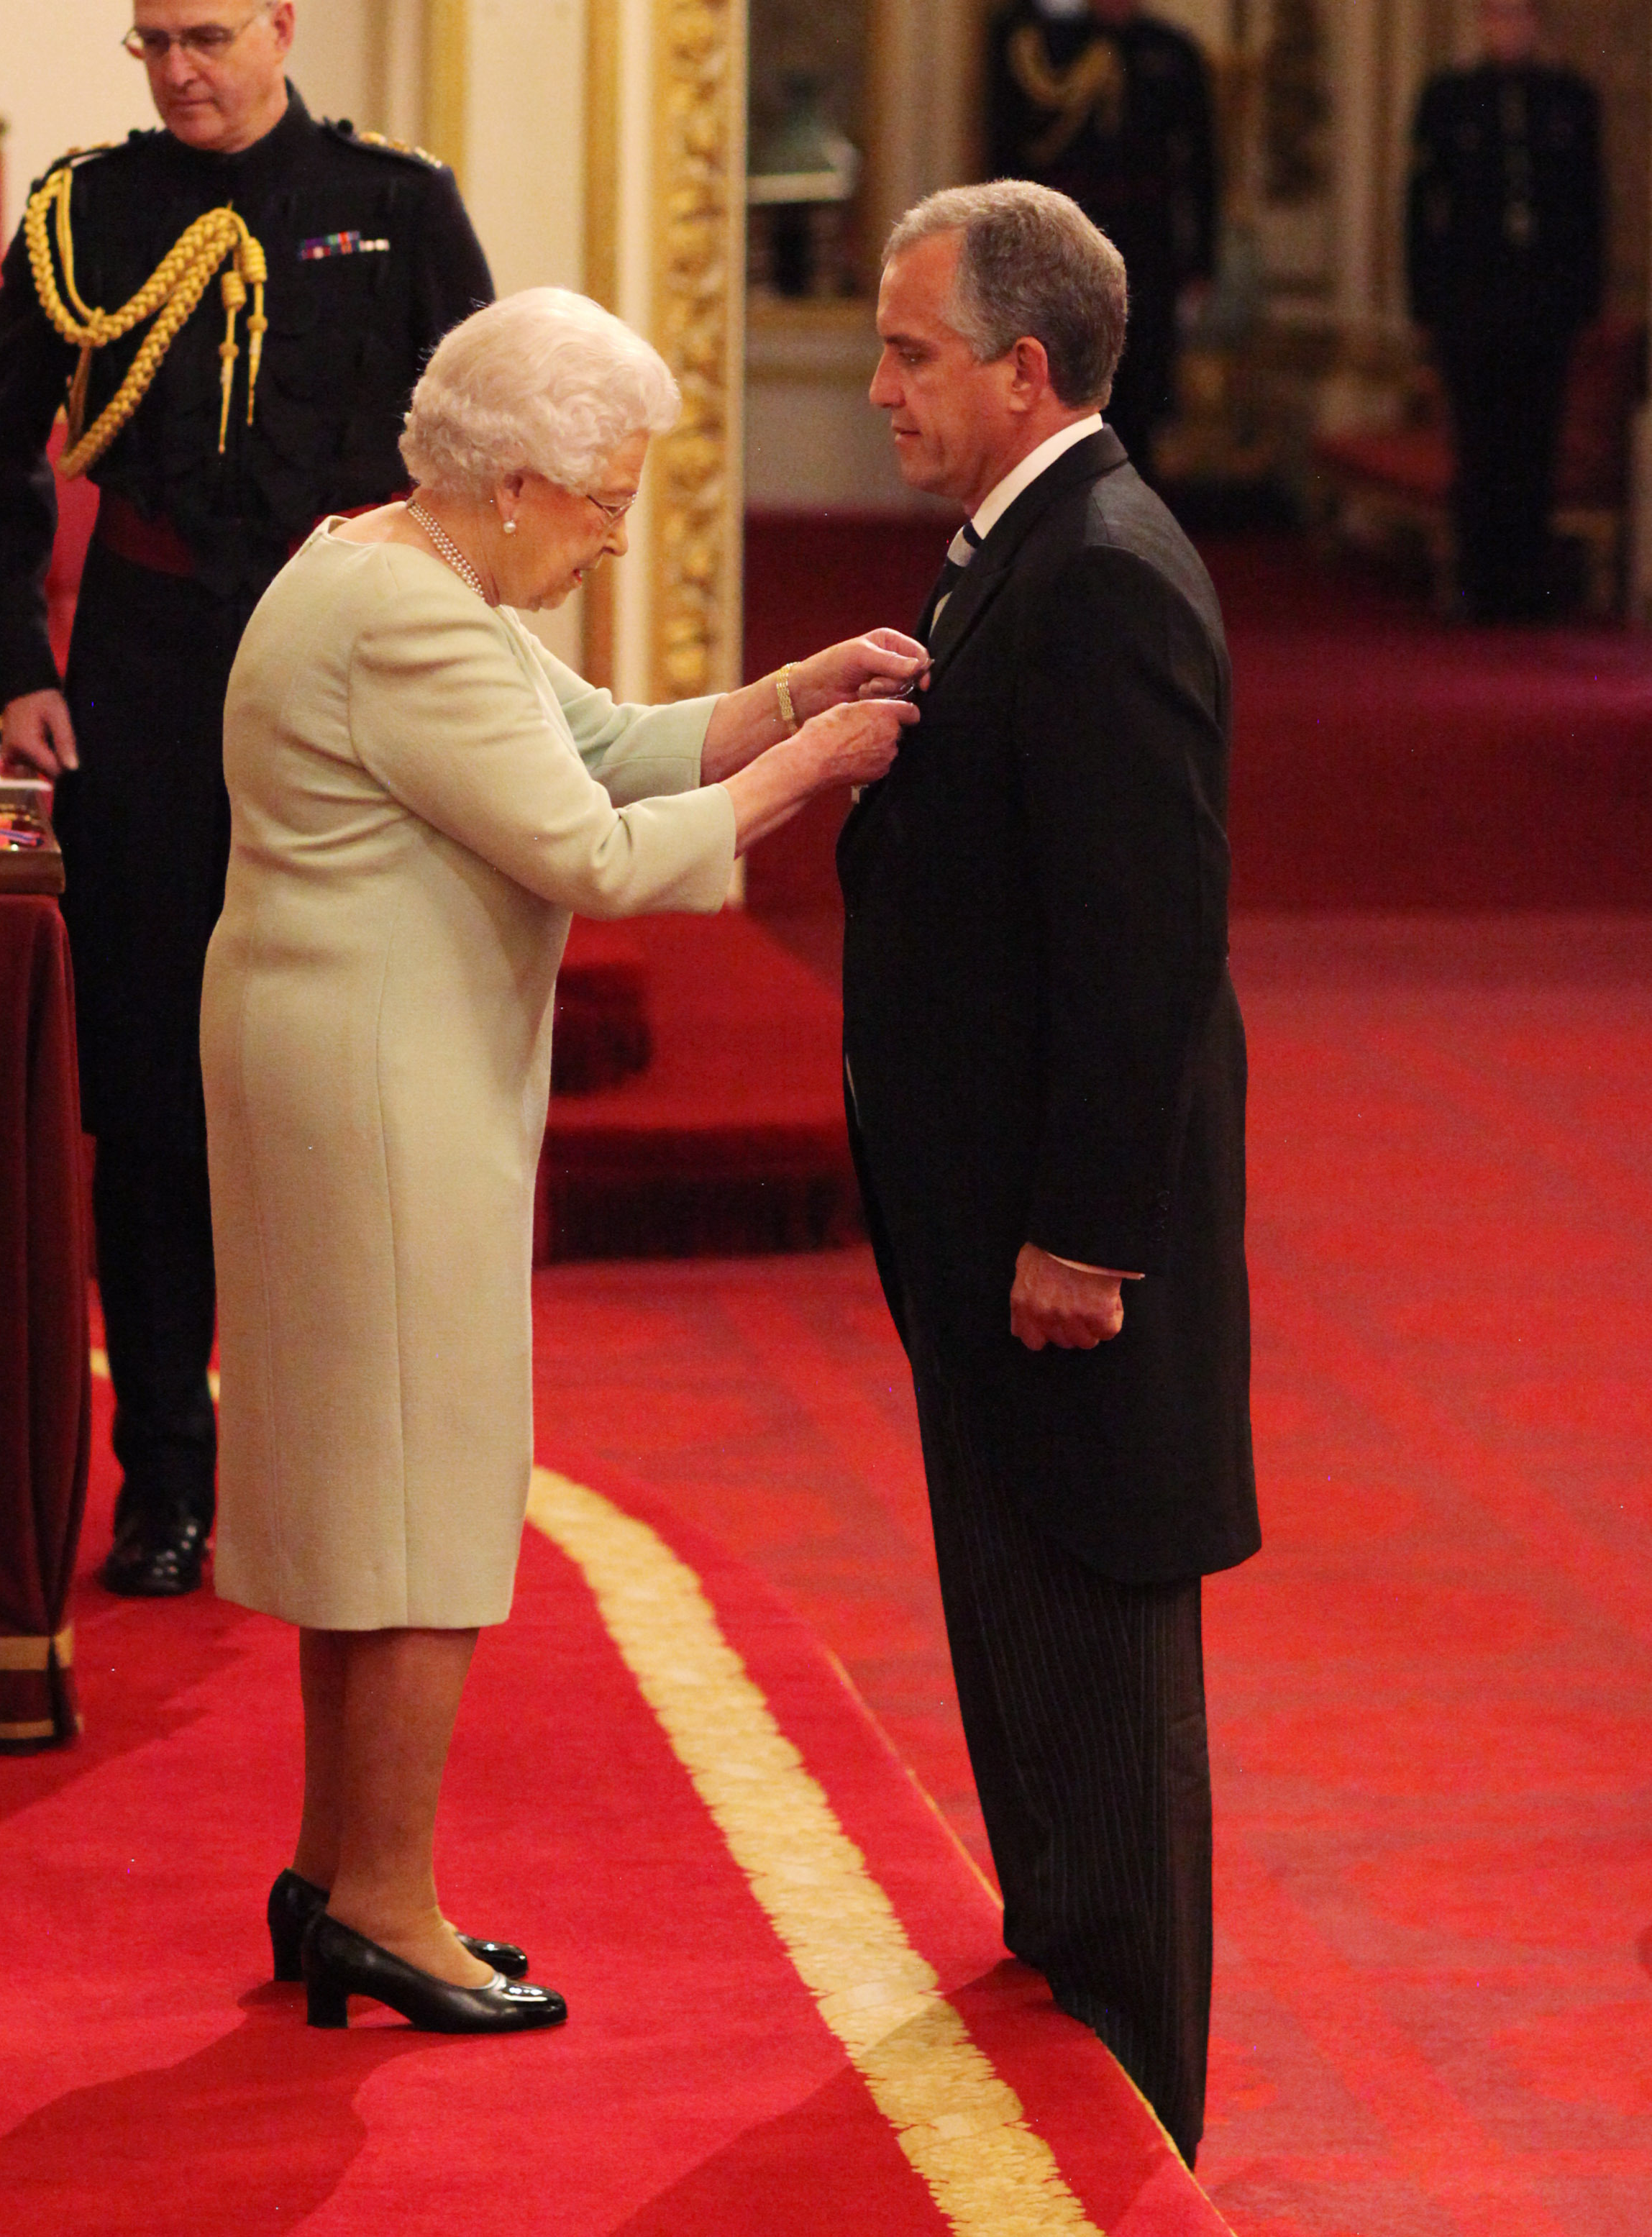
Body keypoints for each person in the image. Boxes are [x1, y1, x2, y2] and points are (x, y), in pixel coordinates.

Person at [203, 287, 926, 2032]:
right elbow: (595, 850)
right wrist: (817, 766)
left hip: (353, 1056)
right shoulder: (413, 617)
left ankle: (336, 1874)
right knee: (424, 1492)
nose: (612, 537)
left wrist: (791, 691)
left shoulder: (397, 562)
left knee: (370, 1484)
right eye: (604, 501)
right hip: (380, 1083)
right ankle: (386, 1903)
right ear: (516, 481)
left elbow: (596, 741)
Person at [0, 0, 493, 1598]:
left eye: (205, 36)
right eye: (151, 43)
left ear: (279, 25)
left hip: (349, 669)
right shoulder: (87, 214)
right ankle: (167, 1479)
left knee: (353, 1082)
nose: (179, 71)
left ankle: (341, 1471)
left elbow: (485, 457)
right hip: (150, 667)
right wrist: (17, 672)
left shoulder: (397, 205)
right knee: (150, 1091)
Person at [843, 181, 1259, 2161]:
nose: (877, 387)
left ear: (1023, 368)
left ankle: (1135, 2127)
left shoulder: (1099, 571)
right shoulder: (1022, 544)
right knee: (1028, 1665)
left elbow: (1143, 946)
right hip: (986, 1231)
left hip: (1061, 1255)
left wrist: (1085, 1236)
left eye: (908, 351)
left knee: (1098, 1686)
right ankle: (1067, 2075)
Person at [1407, 0, 1603, 620]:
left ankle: (1528, 583)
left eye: (1516, 16)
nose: (1507, 29)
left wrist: (1584, 299)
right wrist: (1425, 301)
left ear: (1535, 22)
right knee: (1479, 444)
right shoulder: (1449, 99)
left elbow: (1591, 206)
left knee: (1534, 444)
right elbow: (1422, 208)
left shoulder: (1569, 100)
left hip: (1543, 305)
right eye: (1496, 16)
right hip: (1472, 302)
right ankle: (1479, 581)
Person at [985, 0, 1215, 477]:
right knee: (1059, 392)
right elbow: (1010, 156)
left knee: (1139, 398)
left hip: (1145, 247)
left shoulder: (1171, 51)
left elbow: (1203, 167)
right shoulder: (1046, 43)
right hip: (1062, 247)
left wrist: (1201, 261)